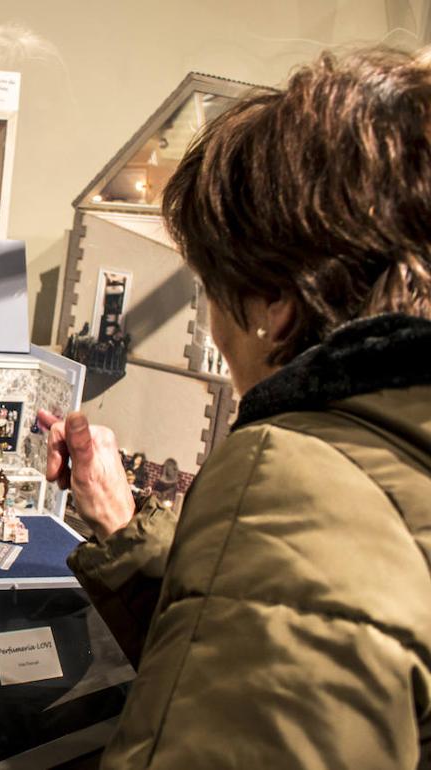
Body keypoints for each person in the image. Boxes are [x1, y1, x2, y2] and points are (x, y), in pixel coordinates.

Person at [39, 48, 431, 767]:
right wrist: (125, 531)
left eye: (210, 283)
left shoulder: (296, 480)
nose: (213, 324)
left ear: (275, 305)